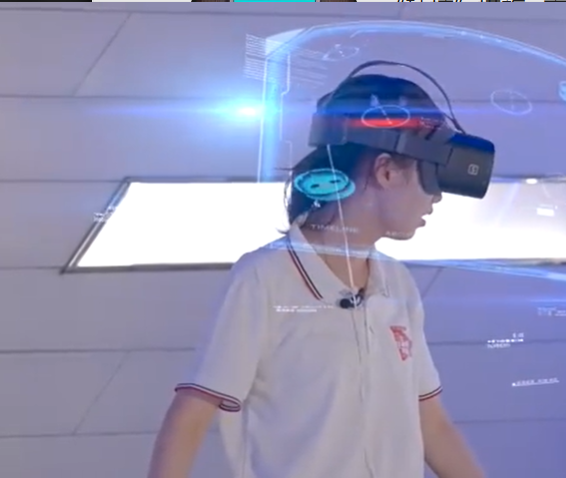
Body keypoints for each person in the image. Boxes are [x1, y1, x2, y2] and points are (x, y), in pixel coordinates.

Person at [147, 73, 485, 478]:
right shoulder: (265, 278)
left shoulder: (398, 285)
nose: (438, 196)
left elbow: (431, 424)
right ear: (386, 171)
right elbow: (191, 416)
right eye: (430, 175)